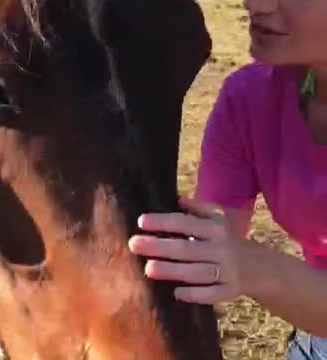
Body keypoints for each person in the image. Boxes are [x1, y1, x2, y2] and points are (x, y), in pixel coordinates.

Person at [126, 0, 327, 358]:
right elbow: (208, 241)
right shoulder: (251, 99)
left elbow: (235, 259)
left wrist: (254, 267)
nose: (255, 4)